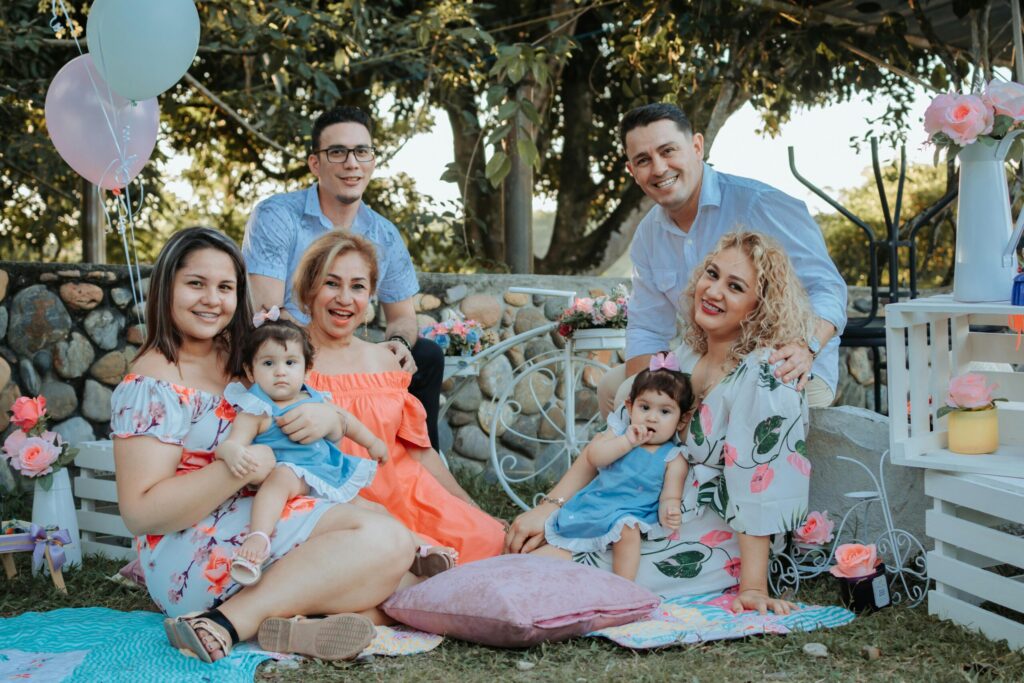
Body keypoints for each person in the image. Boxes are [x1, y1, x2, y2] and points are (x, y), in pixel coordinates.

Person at [111, 227, 419, 663]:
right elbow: (140, 514)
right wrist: (235, 469)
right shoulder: (154, 382)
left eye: (225, 287)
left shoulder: (243, 357)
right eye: (195, 284)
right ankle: (225, 623)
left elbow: (308, 380)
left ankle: (293, 630)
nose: (211, 300)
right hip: (194, 549)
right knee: (385, 545)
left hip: (263, 513)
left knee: (401, 571)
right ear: (167, 288)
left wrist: (328, 419)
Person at [508, 232, 813, 615]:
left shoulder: (765, 377)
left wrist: (752, 586)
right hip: (628, 510)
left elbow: (759, 490)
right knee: (523, 549)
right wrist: (548, 508)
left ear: (758, 307)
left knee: (538, 573)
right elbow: (607, 441)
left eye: (734, 287)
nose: (713, 291)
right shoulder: (680, 359)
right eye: (712, 274)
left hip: (706, 535)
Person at [597, 102, 847, 415]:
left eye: (668, 151)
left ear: (697, 146)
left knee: (718, 401)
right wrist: (642, 394)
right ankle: (644, 463)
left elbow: (828, 288)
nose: (659, 168)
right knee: (616, 389)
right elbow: (647, 329)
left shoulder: (760, 204)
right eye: (644, 160)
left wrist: (805, 347)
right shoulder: (648, 235)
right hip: (707, 360)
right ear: (633, 171)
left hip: (786, 364)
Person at [293, 230, 506, 563]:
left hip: (409, 494)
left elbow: (420, 454)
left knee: (489, 542)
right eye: (331, 283)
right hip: (342, 505)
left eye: (358, 287)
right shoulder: (288, 362)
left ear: (371, 296)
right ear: (308, 289)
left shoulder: (385, 360)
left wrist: (472, 507)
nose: (345, 298)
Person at [242, 105, 445, 450]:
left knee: (426, 356)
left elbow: (403, 317)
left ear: (372, 161)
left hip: (350, 346)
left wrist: (400, 346)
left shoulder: (385, 233)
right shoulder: (277, 215)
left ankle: (421, 460)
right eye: (337, 152)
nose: (352, 163)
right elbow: (269, 312)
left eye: (362, 152)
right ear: (315, 164)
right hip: (292, 349)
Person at [215, 317, 386, 585]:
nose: (280, 372)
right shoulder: (258, 409)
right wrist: (232, 453)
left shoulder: (316, 398)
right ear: (251, 371)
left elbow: (346, 420)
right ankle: (258, 538)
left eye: (290, 363)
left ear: (307, 370)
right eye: (268, 363)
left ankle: (420, 549)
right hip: (291, 473)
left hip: (327, 473)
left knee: (374, 510)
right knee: (279, 480)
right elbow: (230, 443)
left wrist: (373, 442)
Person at [542, 352, 694, 580]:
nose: (652, 418)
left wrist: (670, 510)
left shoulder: (673, 457)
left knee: (627, 530)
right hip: (598, 503)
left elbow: (670, 495)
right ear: (630, 407)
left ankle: (623, 586)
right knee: (551, 550)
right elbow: (596, 457)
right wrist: (627, 442)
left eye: (664, 411)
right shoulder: (620, 433)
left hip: (630, 513)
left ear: (681, 420)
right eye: (645, 408)